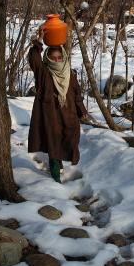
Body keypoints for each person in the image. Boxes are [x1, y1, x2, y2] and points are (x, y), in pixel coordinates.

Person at [28, 27, 88, 182]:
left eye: (59, 57)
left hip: (69, 115)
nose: (56, 60)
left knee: (69, 140)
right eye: (53, 58)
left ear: (64, 57)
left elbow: (76, 95)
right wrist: (39, 42)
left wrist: (82, 110)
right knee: (53, 142)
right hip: (51, 115)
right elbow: (34, 59)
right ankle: (55, 174)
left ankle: (59, 161)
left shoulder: (71, 74)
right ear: (48, 59)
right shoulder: (44, 73)